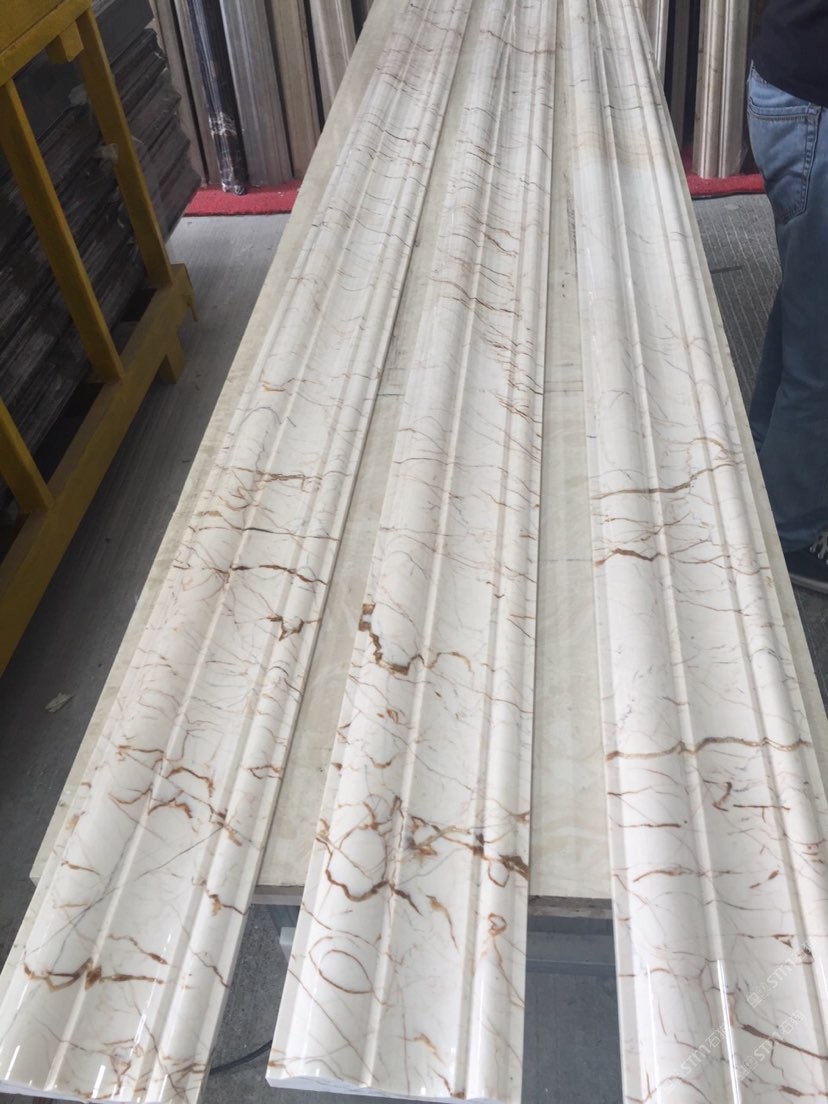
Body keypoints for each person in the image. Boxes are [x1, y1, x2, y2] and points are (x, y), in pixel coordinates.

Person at [747, 1, 828, 592]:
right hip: (814, 112)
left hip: (791, 90)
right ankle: (790, 533)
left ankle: (759, 467)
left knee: (805, 312)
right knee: (820, 356)